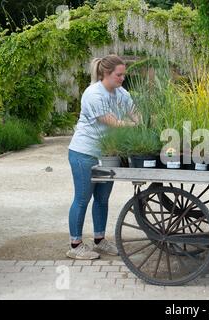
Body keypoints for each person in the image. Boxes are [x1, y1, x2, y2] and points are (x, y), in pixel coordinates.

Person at [67, 54, 139, 260]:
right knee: (82, 199)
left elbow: (135, 113)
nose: (122, 78)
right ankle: (75, 245)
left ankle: (99, 241)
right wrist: (136, 126)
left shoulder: (120, 92)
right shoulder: (93, 94)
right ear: (106, 73)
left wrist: (139, 120)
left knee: (102, 199)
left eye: (123, 74)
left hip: (107, 154)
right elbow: (113, 122)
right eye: (119, 75)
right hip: (84, 153)